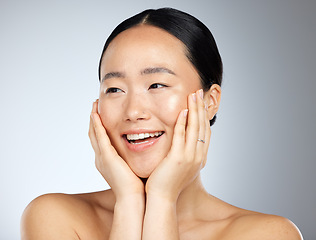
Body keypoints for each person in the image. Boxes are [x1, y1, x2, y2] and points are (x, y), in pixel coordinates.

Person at [21, 8, 302, 240]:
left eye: (156, 84)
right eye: (115, 89)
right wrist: (130, 202)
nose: (133, 111)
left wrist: (162, 199)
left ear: (210, 101)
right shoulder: (54, 218)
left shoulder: (268, 234)